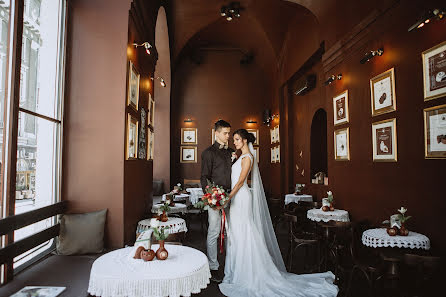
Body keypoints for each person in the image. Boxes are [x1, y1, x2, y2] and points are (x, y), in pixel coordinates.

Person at [218, 129, 338, 297]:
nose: (235, 142)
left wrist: (227, 198)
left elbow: (239, 183)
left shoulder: (247, 158)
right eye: (234, 140)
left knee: (245, 232)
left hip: (241, 197)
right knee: (237, 234)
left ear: (245, 140)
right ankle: (237, 270)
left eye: (237, 139)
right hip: (236, 199)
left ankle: (249, 273)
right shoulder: (239, 157)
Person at [200, 120, 235, 283]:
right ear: (216, 133)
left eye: (229, 133)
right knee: (214, 231)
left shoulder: (232, 152)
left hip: (231, 197)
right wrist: (211, 196)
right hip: (214, 198)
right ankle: (213, 266)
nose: (228, 136)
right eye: (225, 133)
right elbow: (204, 176)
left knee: (229, 232)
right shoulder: (208, 153)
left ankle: (230, 264)